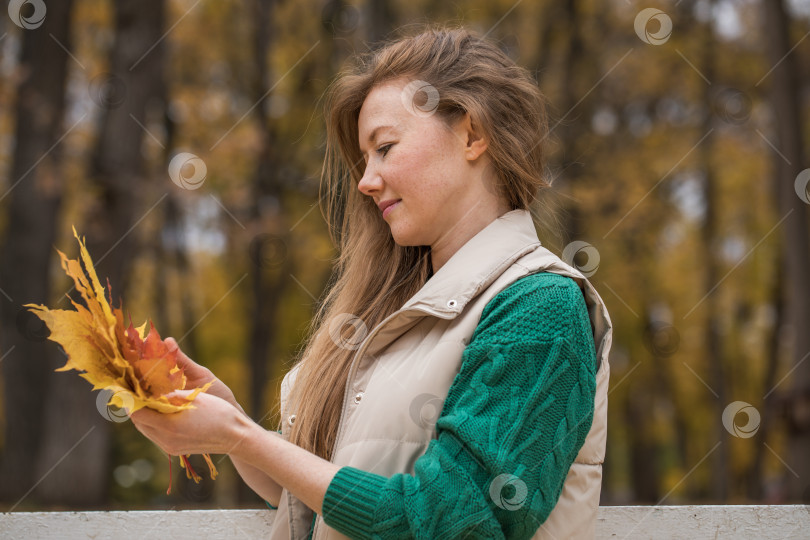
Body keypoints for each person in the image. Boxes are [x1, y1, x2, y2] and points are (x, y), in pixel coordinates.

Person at [130, 24, 612, 540]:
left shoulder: (539, 307)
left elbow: (450, 520)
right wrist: (227, 425)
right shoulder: (400, 315)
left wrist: (244, 438)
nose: (365, 181)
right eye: (363, 159)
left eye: (384, 147)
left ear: (472, 135)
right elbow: (330, 506)